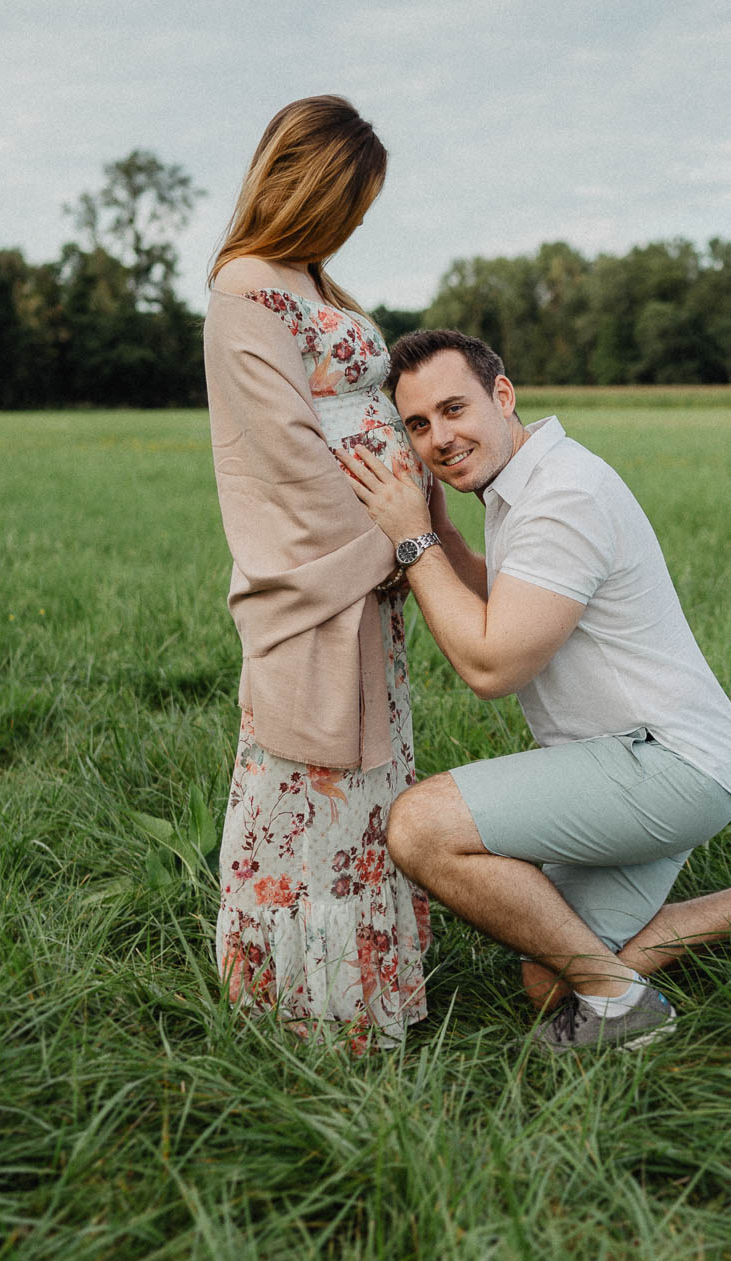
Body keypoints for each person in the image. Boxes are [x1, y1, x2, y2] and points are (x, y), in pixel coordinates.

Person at [340, 330, 731, 1053]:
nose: (439, 437)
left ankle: (622, 1007)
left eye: (454, 409)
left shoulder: (563, 495)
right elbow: (509, 596)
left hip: (665, 765)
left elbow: (491, 667)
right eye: (418, 425)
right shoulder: (523, 477)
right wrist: (440, 532)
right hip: (658, 761)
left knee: (421, 826)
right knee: (550, 981)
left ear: (504, 395)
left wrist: (412, 541)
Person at [201, 96, 428, 1052]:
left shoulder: (317, 285)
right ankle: (307, 1009)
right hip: (330, 572)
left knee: (370, 783)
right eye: (352, 201)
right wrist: (392, 540)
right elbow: (285, 455)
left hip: (374, 579)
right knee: (310, 779)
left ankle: (370, 989)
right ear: (309, 187)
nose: (359, 222)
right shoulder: (245, 289)